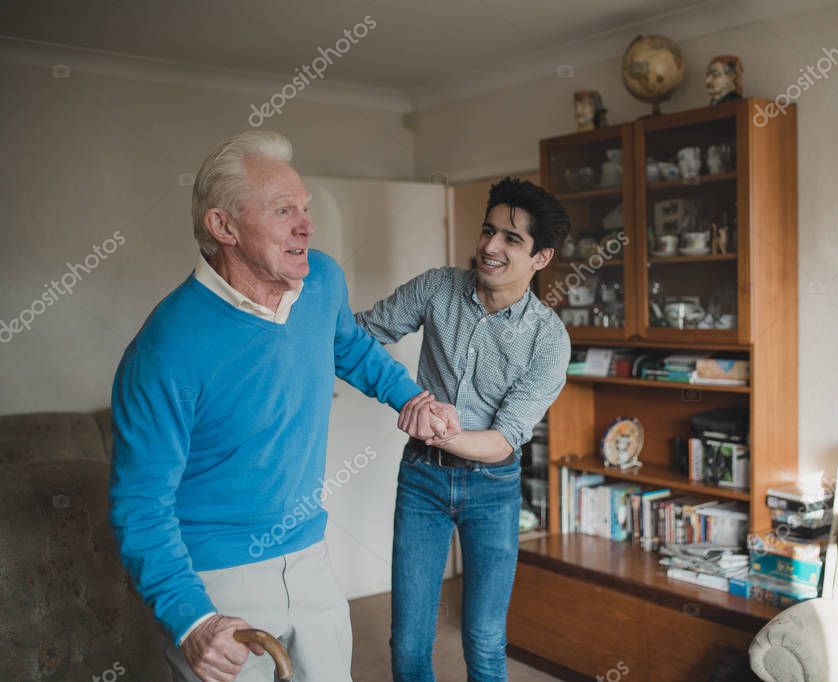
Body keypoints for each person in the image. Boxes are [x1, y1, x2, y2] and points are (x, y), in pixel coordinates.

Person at [108, 130, 457, 681]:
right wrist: (193, 619)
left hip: (310, 555)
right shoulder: (164, 350)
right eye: (283, 210)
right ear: (224, 227)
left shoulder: (321, 280)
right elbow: (140, 505)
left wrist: (410, 395)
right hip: (217, 580)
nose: (306, 225)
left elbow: (350, 346)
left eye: (305, 208)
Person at [356, 177, 572, 681]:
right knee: (409, 638)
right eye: (488, 231)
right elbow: (362, 334)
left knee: (485, 638)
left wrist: (434, 427)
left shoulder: (548, 340)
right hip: (422, 481)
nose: (490, 247)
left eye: (511, 239)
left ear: (541, 257)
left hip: (493, 488)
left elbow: (502, 440)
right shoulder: (438, 287)